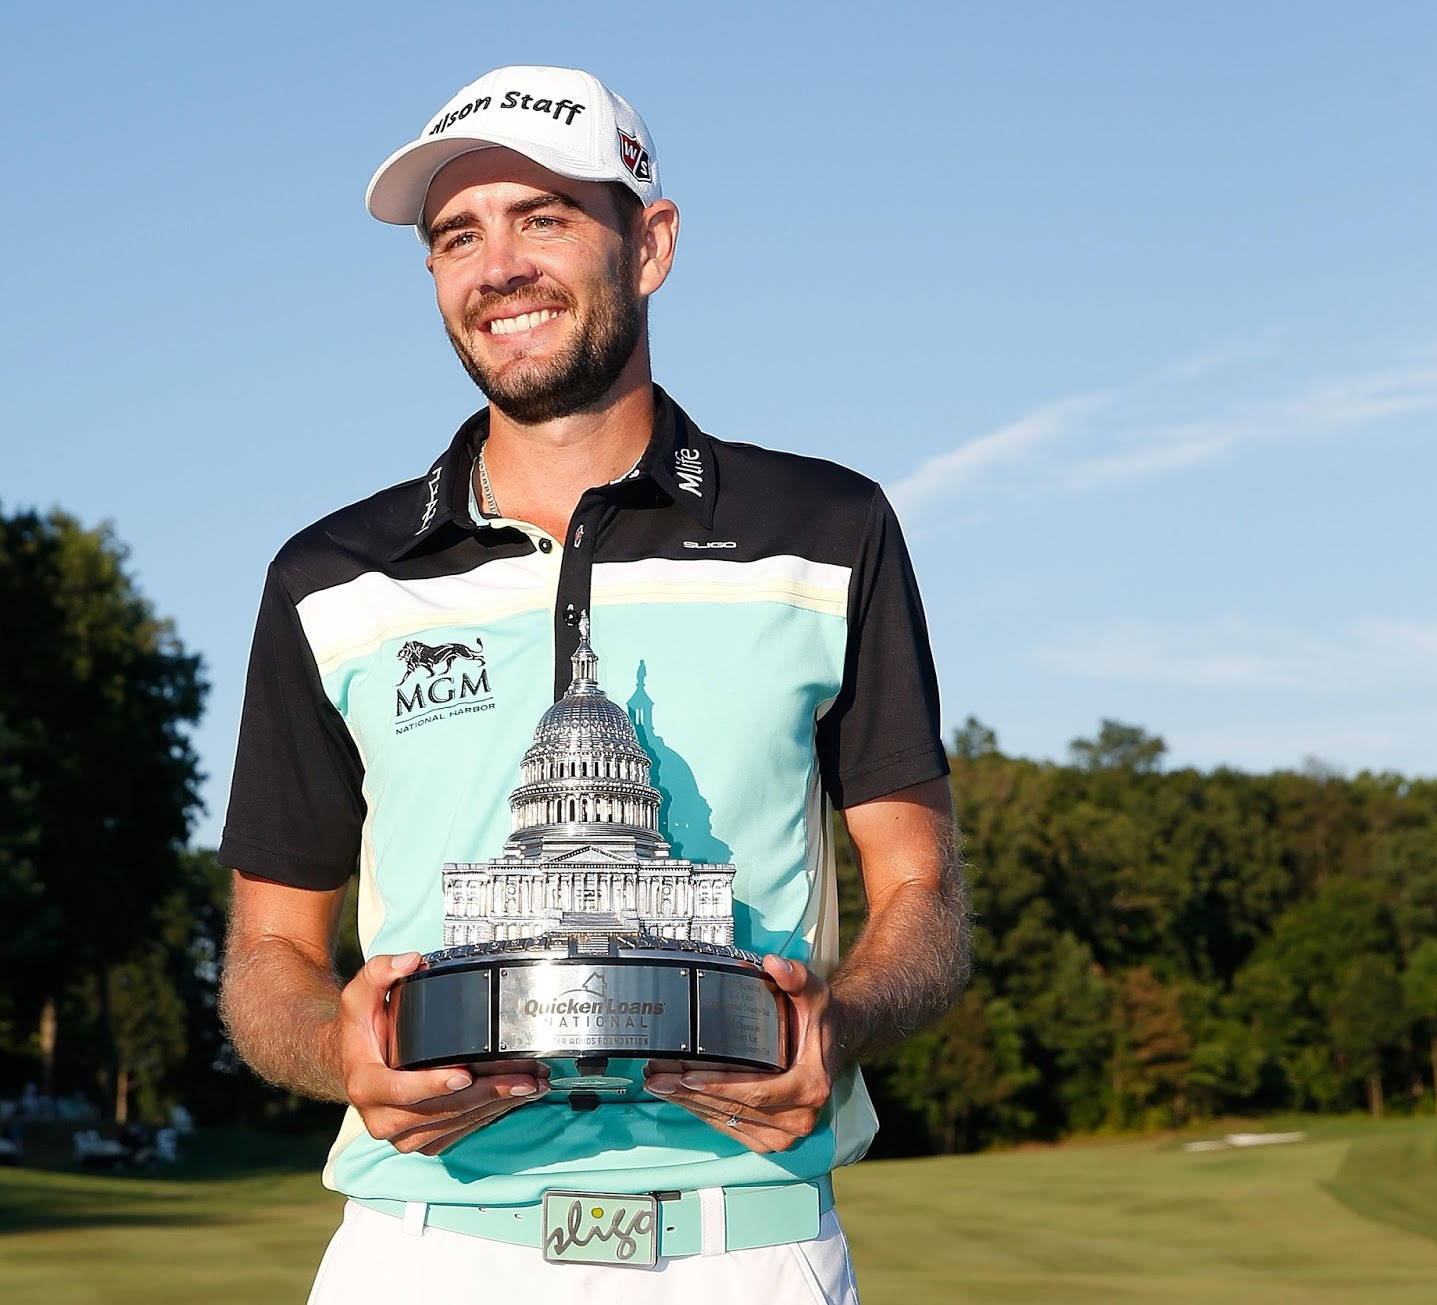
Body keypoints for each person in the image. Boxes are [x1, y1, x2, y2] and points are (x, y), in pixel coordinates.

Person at [218, 64, 970, 1304]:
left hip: (746, 1241)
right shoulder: (327, 578)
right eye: (458, 234)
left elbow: (923, 892)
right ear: (434, 277)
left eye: (544, 216)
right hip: (427, 1244)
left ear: (651, 243)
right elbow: (267, 946)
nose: (497, 264)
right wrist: (331, 1042)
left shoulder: (828, 528)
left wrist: (833, 1025)